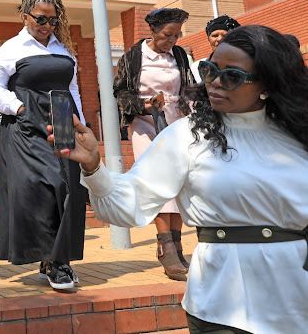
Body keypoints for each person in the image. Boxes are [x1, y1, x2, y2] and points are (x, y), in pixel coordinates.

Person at [52, 25, 308, 334]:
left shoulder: (297, 135)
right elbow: (128, 204)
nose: (214, 83)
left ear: (267, 84)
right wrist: (94, 167)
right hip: (221, 305)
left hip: (298, 301)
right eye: (210, 70)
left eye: (232, 76)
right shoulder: (188, 134)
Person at [0, 0, 86, 290]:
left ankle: (57, 260)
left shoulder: (62, 49)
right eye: (40, 19)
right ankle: (53, 261)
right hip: (26, 127)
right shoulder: (12, 48)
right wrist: (18, 108)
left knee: (70, 189)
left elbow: (73, 89)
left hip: (63, 125)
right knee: (45, 187)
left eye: (53, 20)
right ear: (25, 16)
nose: (47, 26)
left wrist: (82, 125)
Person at [113, 7, 194, 280]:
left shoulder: (180, 55)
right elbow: (120, 92)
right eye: (167, 35)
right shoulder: (133, 56)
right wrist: (145, 104)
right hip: (146, 123)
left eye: (176, 35)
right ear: (153, 31)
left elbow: (189, 85)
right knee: (160, 184)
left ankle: (178, 246)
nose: (171, 41)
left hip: (177, 121)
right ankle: (165, 247)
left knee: (180, 182)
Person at [192, 15, 240, 83]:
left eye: (224, 35)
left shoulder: (244, 64)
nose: (219, 39)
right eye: (215, 36)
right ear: (209, 41)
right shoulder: (198, 67)